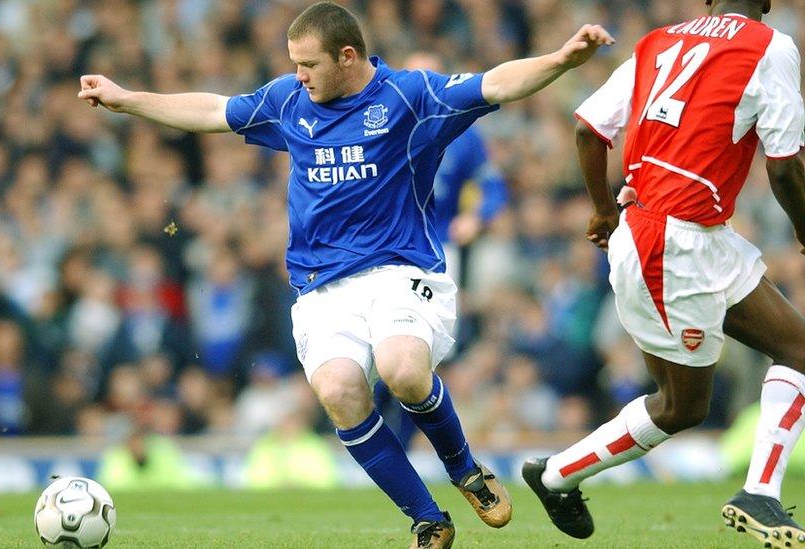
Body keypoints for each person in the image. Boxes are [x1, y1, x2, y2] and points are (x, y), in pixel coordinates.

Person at [79, 3, 613, 547]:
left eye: (308, 63)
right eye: (294, 64)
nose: (298, 75)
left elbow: (495, 83)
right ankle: (428, 519)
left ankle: (465, 470)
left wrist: (562, 59)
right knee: (338, 390)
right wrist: (126, 100)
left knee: (402, 369)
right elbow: (213, 110)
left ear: (348, 56)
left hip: (400, 268)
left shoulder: (410, 96)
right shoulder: (289, 100)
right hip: (321, 286)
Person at [521, 1, 805, 546]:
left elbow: (588, 129)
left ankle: (760, 494)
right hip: (670, 244)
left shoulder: (658, 42)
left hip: (691, 234)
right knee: (681, 406)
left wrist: (604, 209)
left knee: (798, 350)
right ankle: (555, 474)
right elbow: (786, 163)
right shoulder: (771, 45)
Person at [373, 50, 510, 451]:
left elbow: (494, 188)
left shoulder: (464, 134)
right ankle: (386, 442)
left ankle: (402, 444)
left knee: (424, 350)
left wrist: (477, 217)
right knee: (381, 347)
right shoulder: (380, 123)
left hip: (436, 245)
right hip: (385, 246)